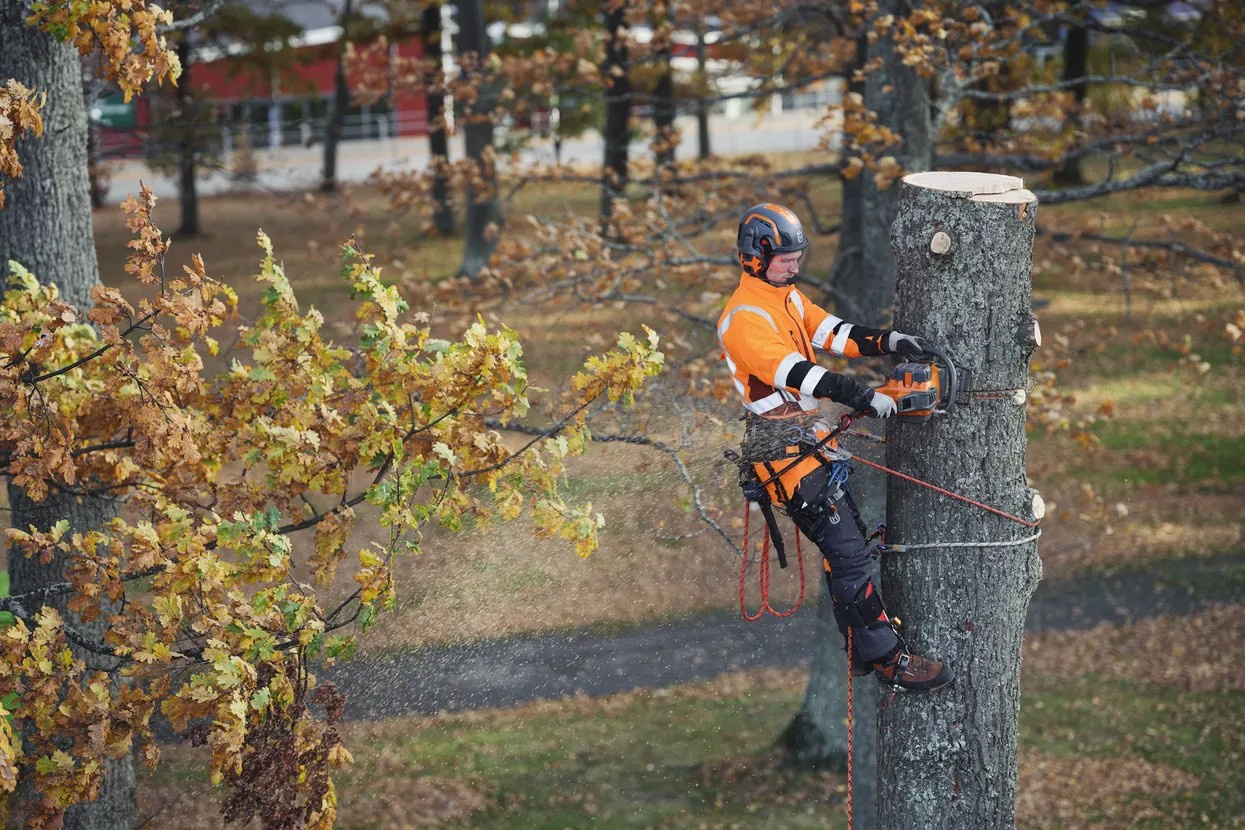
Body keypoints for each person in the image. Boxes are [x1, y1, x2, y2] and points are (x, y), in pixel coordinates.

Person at [718, 202, 952, 692]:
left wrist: (890, 342)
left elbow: (831, 332)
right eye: (785, 258)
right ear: (755, 256)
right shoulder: (742, 318)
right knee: (848, 555)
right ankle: (889, 660)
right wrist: (863, 395)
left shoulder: (784, 297)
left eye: (797, 256)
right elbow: (796, 373)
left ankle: (864, 650)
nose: (794, 265)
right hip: (784, 459)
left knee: (848, 550)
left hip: (807, 446)